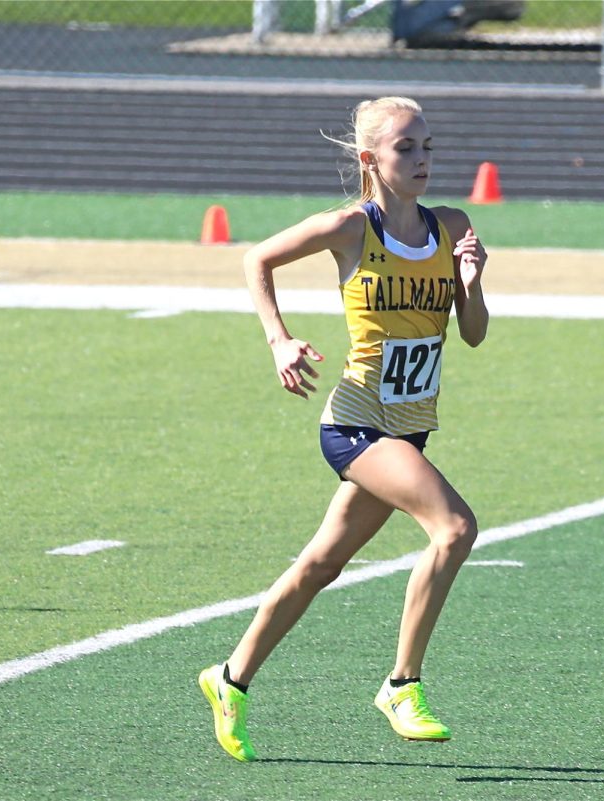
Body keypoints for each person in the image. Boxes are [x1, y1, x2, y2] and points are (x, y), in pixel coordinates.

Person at [198, 96, 489, 763]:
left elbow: (470, 335)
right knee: (455, 528)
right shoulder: (352, 228)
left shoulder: (453, 227)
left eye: (427, 146)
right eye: (404, 149)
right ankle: (401, 684)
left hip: (408, 432)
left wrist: (470, 282)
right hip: (356, 423)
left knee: (322, 564)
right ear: (370, 160)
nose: (421, 160)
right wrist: (278, 340)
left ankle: (231, 677)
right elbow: (257, 260)